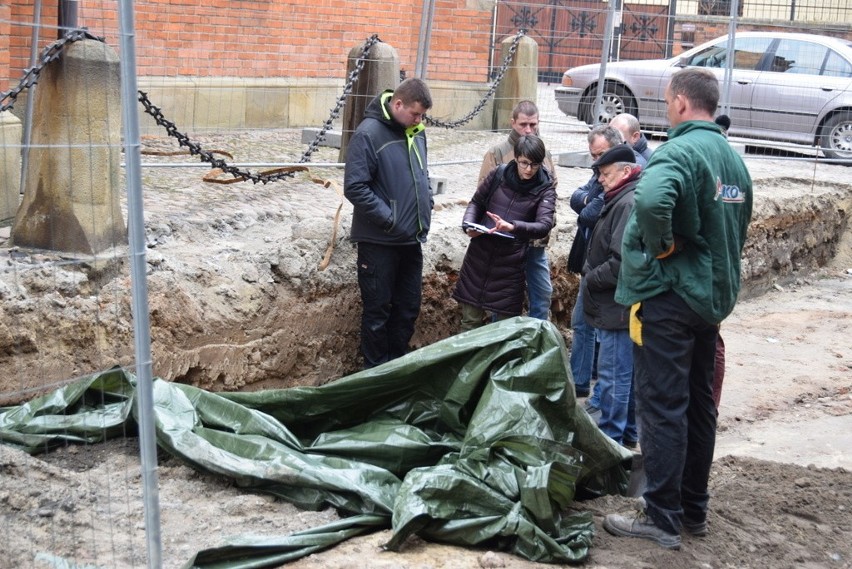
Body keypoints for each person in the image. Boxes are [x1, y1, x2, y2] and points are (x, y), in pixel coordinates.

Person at [604, 68, 753, 550]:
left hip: (669, 299)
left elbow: (649, 198)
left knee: (663, 406)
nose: (667, 109)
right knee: (698, 405)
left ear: (683, 104)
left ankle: (662, 516)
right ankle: (694, 508)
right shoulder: (732, 161)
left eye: (669, 102)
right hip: (709, 300)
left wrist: (664, 245)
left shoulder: (681, 151)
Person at [343, 78, 434, 369]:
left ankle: (396, 368)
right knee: (377, 312)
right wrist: (391, 220)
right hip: (380, 241)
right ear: (398, 104)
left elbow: (422, 176)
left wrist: (427, 203)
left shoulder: (416, 132)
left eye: (422, 115)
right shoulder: (368, 134)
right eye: (415, 114)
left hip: (411, 240)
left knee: (408, 309)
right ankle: (375, 374)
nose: (419, 120)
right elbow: (355, 187)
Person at [454, 134, 556, 330]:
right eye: (524, 163)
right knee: (469, 325)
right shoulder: (498, 174)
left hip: (510, 266)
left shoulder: (545, 188)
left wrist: (513, 226)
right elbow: (476, 202)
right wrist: (469, 226)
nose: (528, 169)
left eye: (534, 165)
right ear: (516, 158)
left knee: (503, 332)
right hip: (479, 257)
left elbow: (544, 224)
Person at [582, 144, 641, 448]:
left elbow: (621, 264)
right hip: (615, 306)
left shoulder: (626, 203)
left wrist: (590, 278)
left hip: (617, 308)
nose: (601, 180)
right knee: (623, 378)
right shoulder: (620, 198)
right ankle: (628, 436)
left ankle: (612, 442)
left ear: (625, 172)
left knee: (614, 379)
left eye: (606, 174)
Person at [478, 100, 558, 320]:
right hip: (505, 242)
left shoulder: (544, 155)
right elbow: (483, 196)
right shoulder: (497, 154)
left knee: (542, 294)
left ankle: (536, 346)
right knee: (502, 299)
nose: (529, 130)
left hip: (534, 242)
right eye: (523, 124)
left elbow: (552, 193)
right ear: (512, 123)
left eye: (533, 124)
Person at [567, 125, 624, 398]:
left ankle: (602, 397)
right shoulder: (600, 174)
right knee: (583, 323)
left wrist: (587, 202)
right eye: (593, 156)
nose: (596, 163)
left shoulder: (622, 181)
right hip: (592, 261)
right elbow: (576, 199)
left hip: (605, 267)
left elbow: (589, 214)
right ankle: (582, 381)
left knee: (602, 333)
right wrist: (588, 200)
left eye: (601, 155)